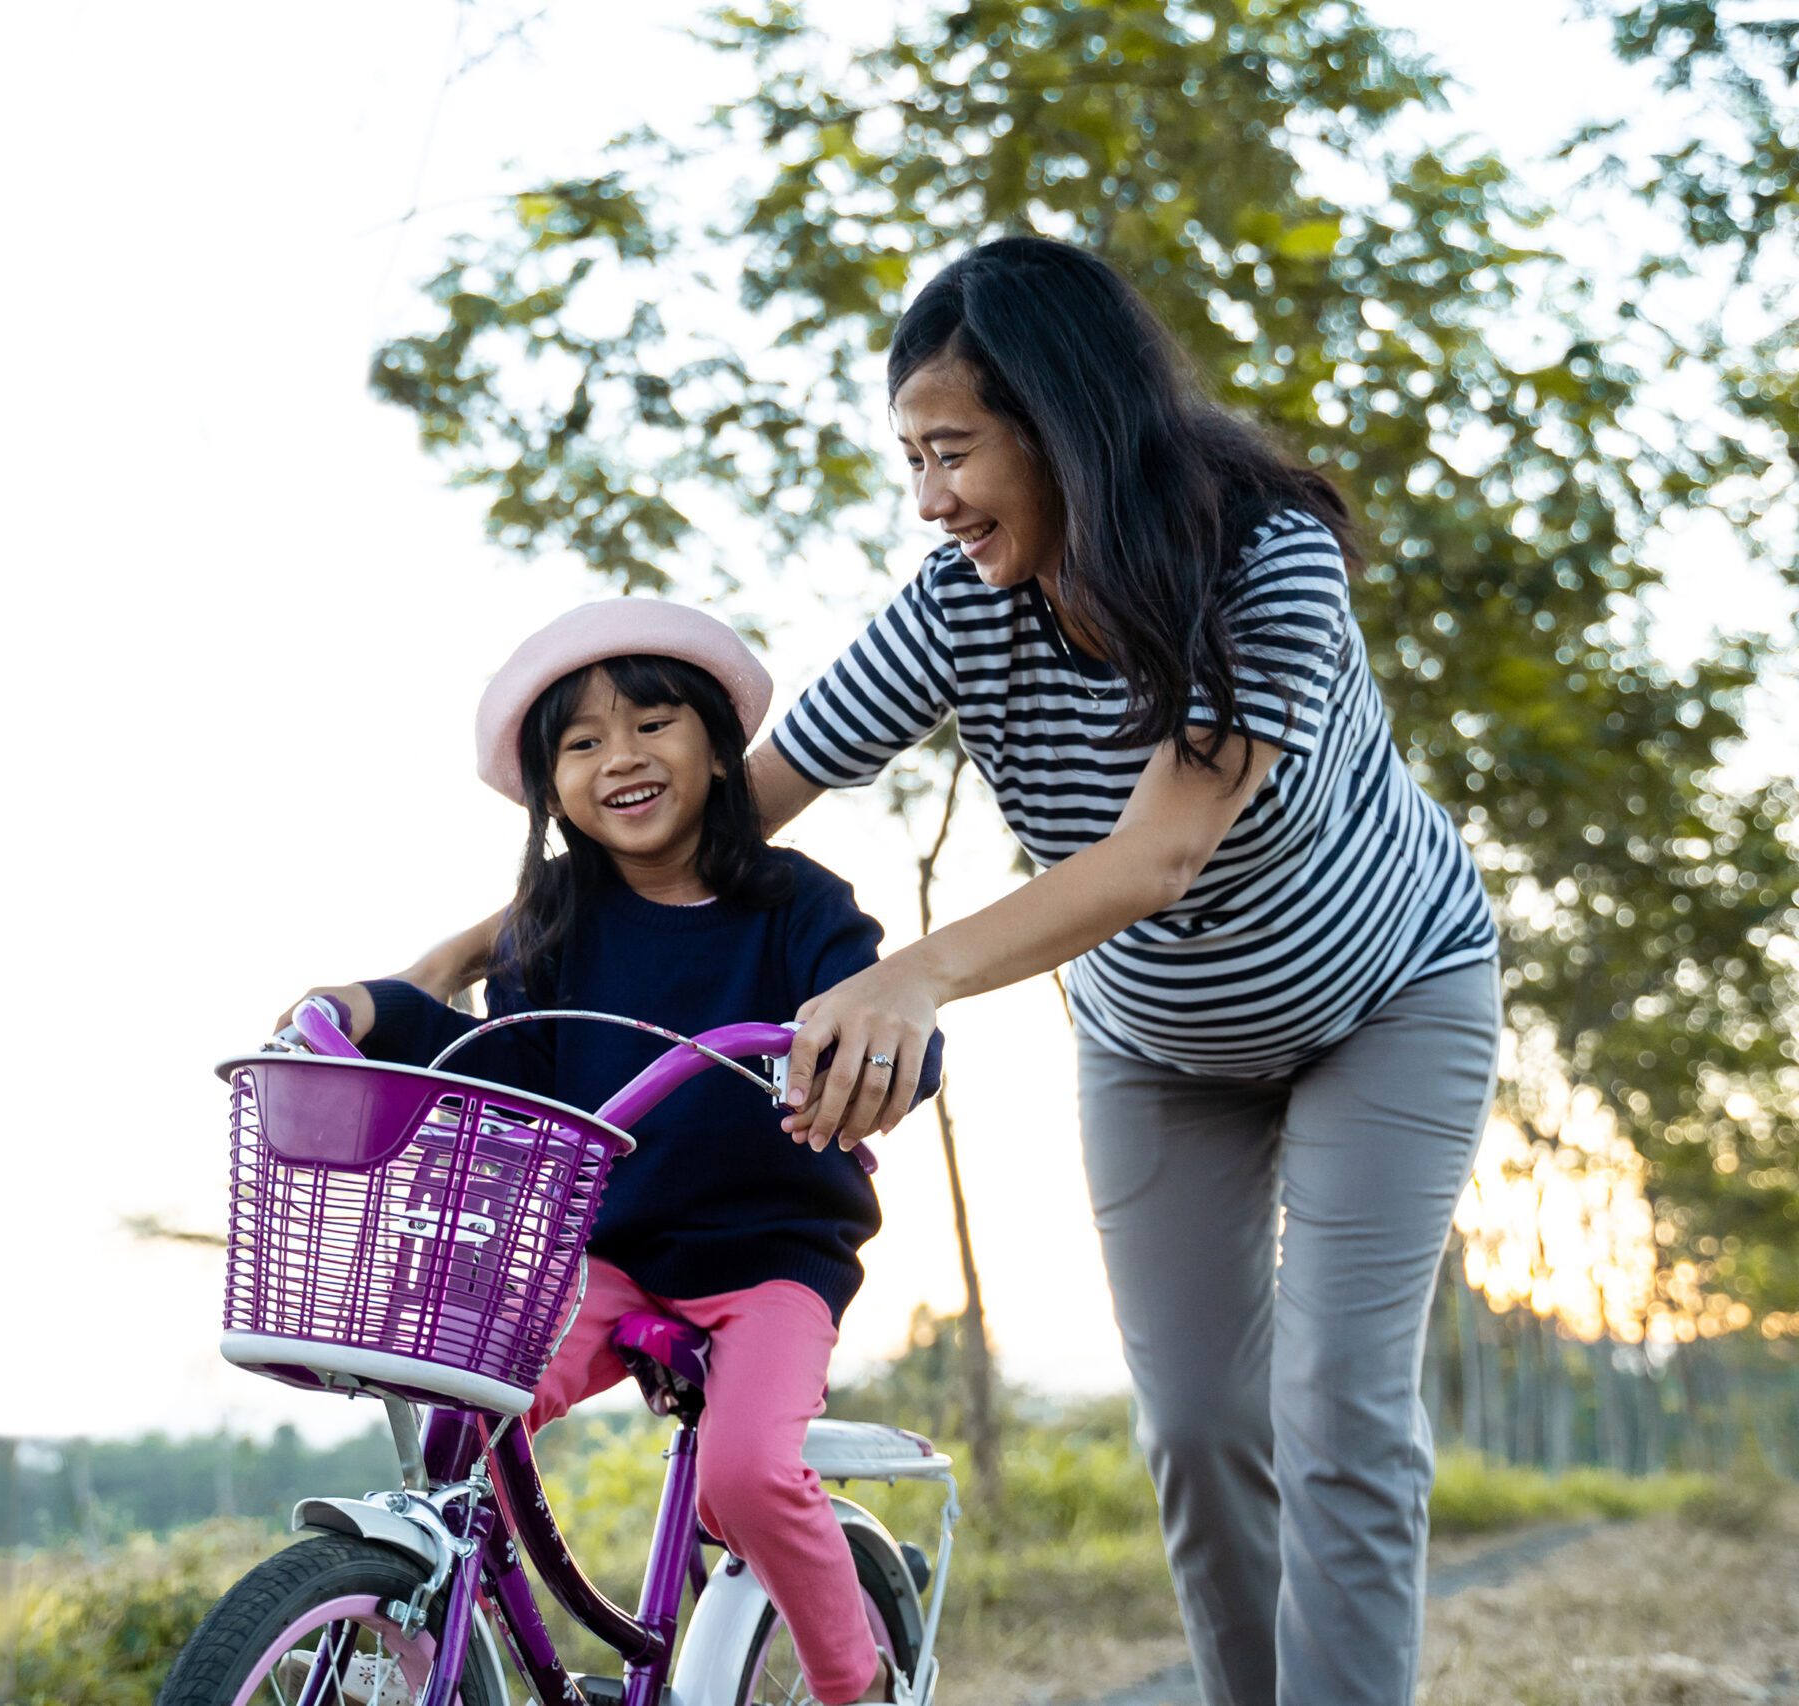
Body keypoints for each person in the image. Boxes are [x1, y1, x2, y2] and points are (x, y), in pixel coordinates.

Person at [384, 237, 1502, 1706]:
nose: (931, 498)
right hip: (1160, 1040)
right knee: (1202, 1421)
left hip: (1388, 1002)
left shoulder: (1263, 565)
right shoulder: (960, 600)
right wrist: (486, 940)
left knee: (1336, 1412)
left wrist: (909, 973)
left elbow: (1155, 854)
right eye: (913, 457)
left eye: (954, 451)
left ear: (1068, 424)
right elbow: (743, 800)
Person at [288, 597, 941, 1705]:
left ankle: (851, 1677)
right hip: (613, 1250)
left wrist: (883, 1066)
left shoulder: (797, 905)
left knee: (743, 1471)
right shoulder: (557, 920)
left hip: (774, 1257)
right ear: (550, 789)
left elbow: (888, 1032)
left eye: (651, 724)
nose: (620, 759)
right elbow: (506, 1064)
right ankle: (441, 1630)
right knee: (471, 1399)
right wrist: (380, 1011)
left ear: (717, 747)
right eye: (581, 744)